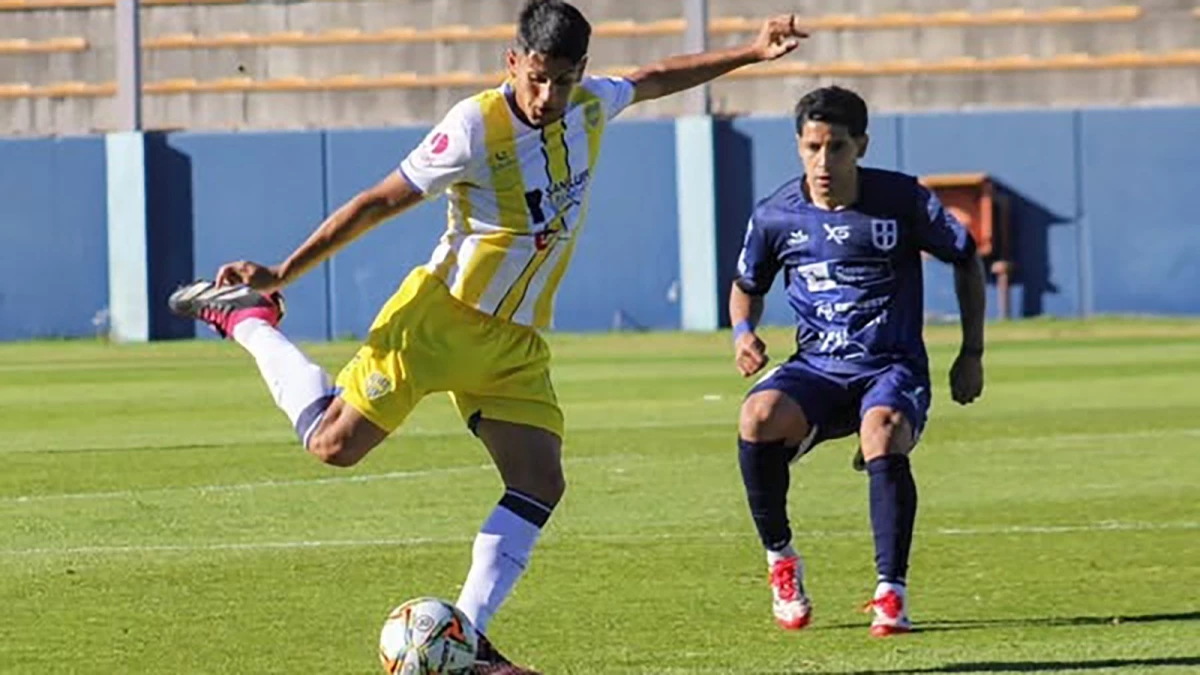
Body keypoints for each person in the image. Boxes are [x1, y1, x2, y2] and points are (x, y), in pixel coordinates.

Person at [167, 1, 809, 671]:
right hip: (440, 319)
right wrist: (284, 270)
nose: (547, 95)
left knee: (540, 480)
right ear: (513, 62)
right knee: (332, 445)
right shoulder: (475, 125)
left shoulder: (590, 104)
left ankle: (465, 642)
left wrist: (749, 51)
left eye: (561, 80)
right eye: (536, 77)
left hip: (516, 343)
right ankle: (248, 320)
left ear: (580, 72)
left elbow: (655, 76)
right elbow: (380, 200)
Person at [729, 85, 986, 637]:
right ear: (799, 145)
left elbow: (967, 259)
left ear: (861, 145)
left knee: (882, 430)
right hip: (818, 370)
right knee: (756, 418)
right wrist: (743, 332)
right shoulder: (776, 215)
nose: (824, 162)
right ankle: (781, 562)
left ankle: (890, 592)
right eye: (812, 147)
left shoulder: (903, 201)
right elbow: (746, 284)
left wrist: (972, 351)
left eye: (837, 147)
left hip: (891, 366)